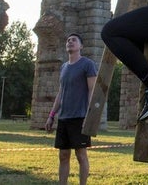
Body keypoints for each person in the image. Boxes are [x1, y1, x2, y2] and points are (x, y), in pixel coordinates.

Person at [45, 33, 98, 185]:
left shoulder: (88, 64)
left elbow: (91, 91)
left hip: (80, 117)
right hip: (63, 118)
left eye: (74, 40)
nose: (70, 42)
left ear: (81, 46)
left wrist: (89, 116)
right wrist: (51, 115)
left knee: (81, 154)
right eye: (68, 40)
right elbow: (60, 93)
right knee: (63, 155)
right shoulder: (64, 67)